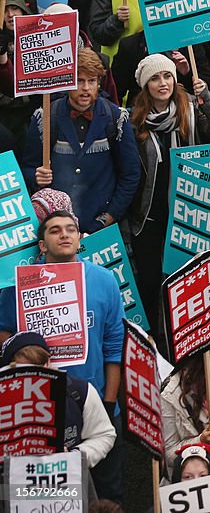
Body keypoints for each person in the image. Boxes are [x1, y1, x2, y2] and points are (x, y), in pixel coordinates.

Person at [0, 211, 125, 501]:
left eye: (71, 229)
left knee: (108, 496)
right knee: (44, 499)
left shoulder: (105, 280)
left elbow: (114, 348)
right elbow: (4, 339)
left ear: (80, 238)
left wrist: (108, 404)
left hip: (96, 408)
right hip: (37, 412)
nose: (65, 234)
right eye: (55, 231)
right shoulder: (17, 286)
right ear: (42, 245)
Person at [126, 54, 210, 331]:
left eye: (167, 76)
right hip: (150, 214)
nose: (163, 83)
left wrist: (207, 98)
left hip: (188, 211)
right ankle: (154, 337)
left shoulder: (192, 107)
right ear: (146, 85)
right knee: (149, 280)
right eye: (155, 78)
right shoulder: (133, 122)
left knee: (186, 279)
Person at [21, 48, 141, 234]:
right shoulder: (46, 118)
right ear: (67, 82)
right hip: (57, 230)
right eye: (79, 80)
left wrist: (108, 218)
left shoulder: (116, 118)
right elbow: (27, 168)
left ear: (99, 83)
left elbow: (131, 174)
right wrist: (36, 177)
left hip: (101, 227)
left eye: (91, 81)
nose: (85, 88)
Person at [0, 331, 116, 471]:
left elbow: (104, 435)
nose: (34, 378)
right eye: (24, 371)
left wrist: (74, 457)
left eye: (40, 367)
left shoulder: (79, 391)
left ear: (49, 362)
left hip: (66, 484)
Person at [160, 340, 210, 471]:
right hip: (201, 479)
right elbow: (168, 455)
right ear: (208, 367)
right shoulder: (171, 395)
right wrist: (200, 442)